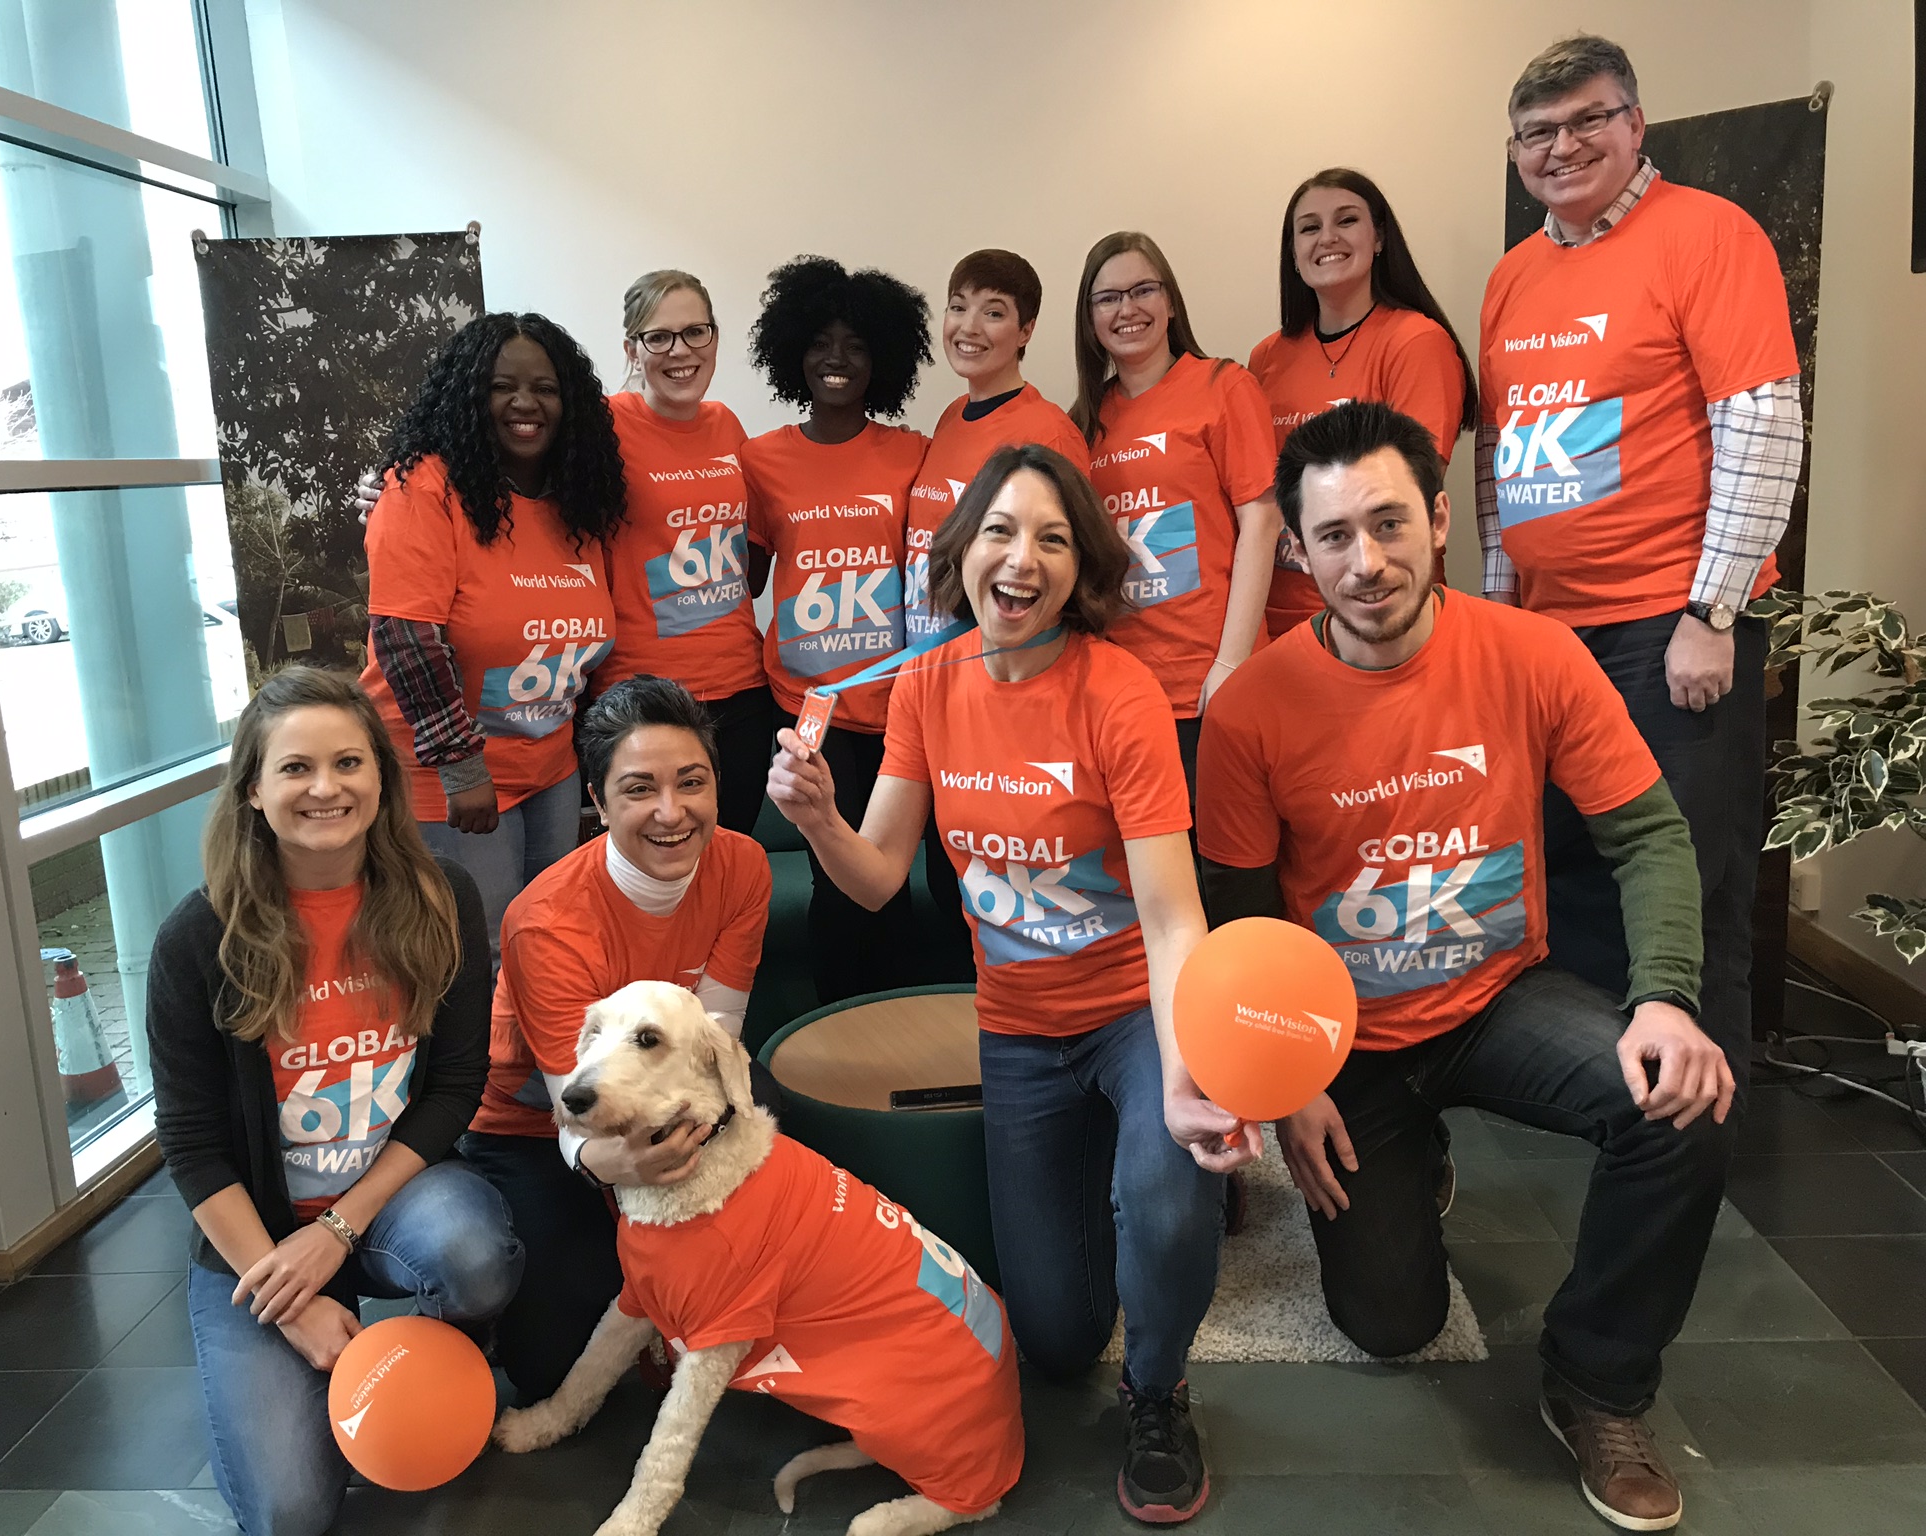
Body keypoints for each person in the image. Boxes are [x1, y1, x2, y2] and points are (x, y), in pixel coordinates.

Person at [1198, 402, 1734, 1533]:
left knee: (1677, 1103)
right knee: (1390, 1324)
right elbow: (1238, 929)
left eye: (1390, 522)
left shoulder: (1530, 653)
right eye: (1333, 536)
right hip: (1341, 1037)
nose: (1367, 560)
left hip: (1498, 999)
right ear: (1295, 552)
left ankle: (1594, 1385)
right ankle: (1408, 1153)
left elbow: (1644, 835)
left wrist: (1666, 1002)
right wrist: (1285, 1086)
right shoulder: (1249, 710)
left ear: (1440, 519)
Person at [768, 443, 1253, 1525]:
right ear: (961, 553)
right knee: (1055, 1337)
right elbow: (878, 876)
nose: (1020, 558)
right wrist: (815, 819)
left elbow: (1175, 912)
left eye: (1050, 538)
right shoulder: (926, 681)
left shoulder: (1117, 691)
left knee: (1172, 1192)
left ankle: (1161, 1389)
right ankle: (1104, 1193)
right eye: (998, 531)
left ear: (1081, 570)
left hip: (1134, 1009)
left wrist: (1185, 1075)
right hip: (1020, 1031)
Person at [1476, 34, 1803, 1104]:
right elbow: (1499, 455)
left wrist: (1711, 609)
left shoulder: (1708, 235)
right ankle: (1606, 1098)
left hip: (1665, 626)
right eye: (1537, 132)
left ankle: (1696, 1124)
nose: (1560, 147)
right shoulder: (1514, 275)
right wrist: (1495, 611)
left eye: (1585, 120)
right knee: (1569, 870)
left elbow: (1759, 424)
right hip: (1547, 635)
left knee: (1683, 879)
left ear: (1632, 124)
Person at [148, 666, 520, 1536]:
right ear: (252, 790)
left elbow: (456, 1086)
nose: (326, 788)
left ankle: (435, 1349)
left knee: (473, 1257)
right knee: (289, 1513)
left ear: (382, 779)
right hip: (261, 1236)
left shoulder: (441, 898)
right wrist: (292, 1294)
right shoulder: (197, 937)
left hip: (392, 1198)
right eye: (296, 768)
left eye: (350, 762)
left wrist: (338, 1230)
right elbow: (193, 1143)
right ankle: (325, 1349)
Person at [456, 674, 780, 1406]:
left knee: (777, 1171)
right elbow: (579, 1109)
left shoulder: (742, 868)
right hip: (536, 1125)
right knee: (550, 1362)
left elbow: (718, 1034)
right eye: (638, 789)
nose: (672, 813)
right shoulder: (546, 922)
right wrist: (614, 1165)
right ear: (597, 804)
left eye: (691, 782)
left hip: (670, 1089)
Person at [358, 311, 626, 963]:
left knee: (550, 936)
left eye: (546, 388)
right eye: (502, 386)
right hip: (452, 777)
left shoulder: (579, 505)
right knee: (482, 952)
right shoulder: (421, 488)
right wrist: (461, 767)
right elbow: (405, 638)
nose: (525, 403)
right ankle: (486, 1072)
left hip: (549, 765)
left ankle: (538, 1067)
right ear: (470, 397)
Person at [742, 256, 935, 1001]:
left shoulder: (912, 453)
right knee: (835, 885)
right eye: (820, 341)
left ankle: (901, 1027)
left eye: (856, 344)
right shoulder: (760, 461)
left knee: (898, 883)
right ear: (793, 350)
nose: (837, 358)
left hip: (900, 705)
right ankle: (837, 1034)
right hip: (809, 710)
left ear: (881, 357)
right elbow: (744, 575)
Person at [1071, 231, 1279, 796]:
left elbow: (1263, 522)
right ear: (1089, 317)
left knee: (1221, 866)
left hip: (1211, 680)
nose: (1127, 309)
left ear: (1169, 300)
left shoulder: (1224, 387)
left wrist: (1231, 664)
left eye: (1143, 290)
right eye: (1107, 297)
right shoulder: (1082, 423)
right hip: (1121, 687)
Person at [1249, 168, 1478, 637]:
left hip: (1382, 611)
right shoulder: (1266, 358)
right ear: (1292, 254)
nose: (1327, 237)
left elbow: (1411, 486)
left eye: (1346, 221)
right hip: (1281, 622)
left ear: (1379, 238)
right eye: (1309, 228)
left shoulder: (1417, 342)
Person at [599, 270, 775, 836]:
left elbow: (747, 552)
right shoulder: (602, 428)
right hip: (641, 696)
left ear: (716, 338)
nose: (681, 351)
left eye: (695, 332)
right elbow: (513, 483)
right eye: (659, 337)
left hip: (741, 691)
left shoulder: (728, 425)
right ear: (632, 348)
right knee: (657, 875)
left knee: (733, 865)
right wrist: (397, 491)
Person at [902, 249, 1090, 644]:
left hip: (998, 665)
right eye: (958, 307)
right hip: (928, 663)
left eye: (993, 313)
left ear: (1026, 331)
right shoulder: (951, 417)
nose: (968, 327)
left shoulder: (1049, 432)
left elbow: (1069, 569)